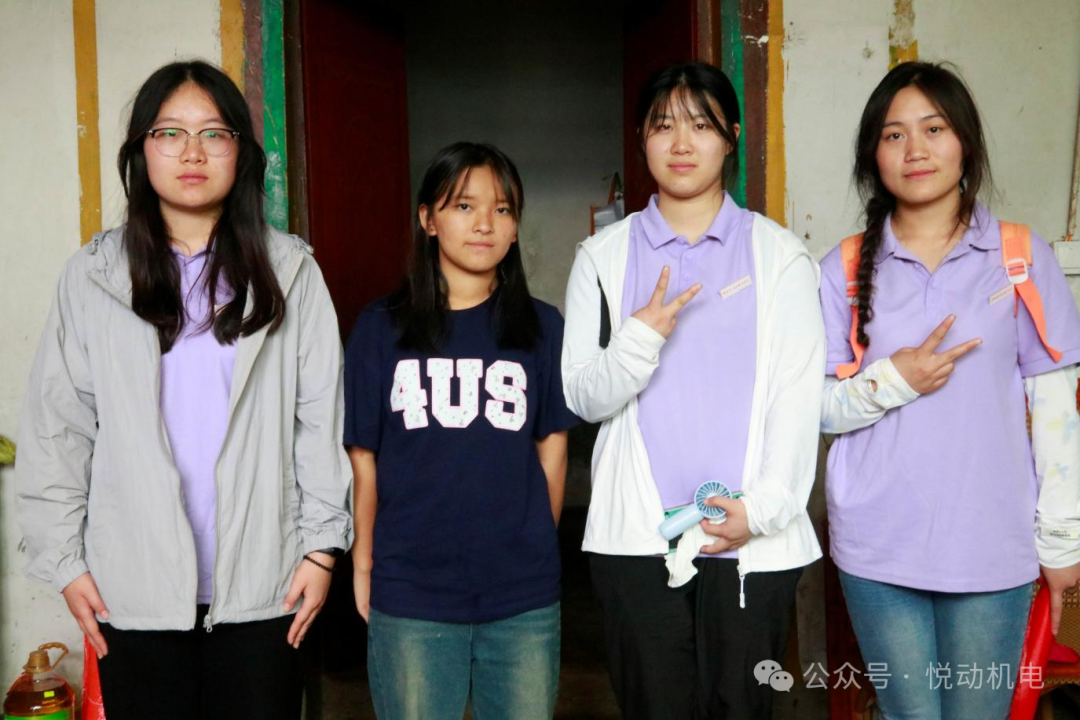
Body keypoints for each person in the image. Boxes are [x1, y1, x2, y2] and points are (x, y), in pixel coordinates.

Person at [15, 60, 352, 720]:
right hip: (132, 588)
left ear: (241, 152)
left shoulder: (290, 272)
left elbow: (320, 421)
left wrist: (321, 551)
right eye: (170, 132)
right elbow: (58, 427)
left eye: (214, 133)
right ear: (141, 150)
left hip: (268, 585)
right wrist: (65, 562)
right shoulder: (93, 276)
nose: (192, 152)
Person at [561, 62, 825, 719]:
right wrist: (639, 338)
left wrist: (760, 511)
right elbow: (582, 396)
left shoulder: (781, 257)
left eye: (701, 125)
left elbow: (797, 398)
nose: (681, 143)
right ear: (642, 139)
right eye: (663, 126)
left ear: (732, 136)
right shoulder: (602, 256)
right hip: (636, 540)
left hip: (752, 540)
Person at [820, 61, 1080, 719]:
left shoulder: (1021, 257)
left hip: (993, 543)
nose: (916, 150)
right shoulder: (843, 268)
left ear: (965, 140)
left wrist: (1061, 541)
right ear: (872, 154)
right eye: (894, 134)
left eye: (933, 129)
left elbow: (1057, 413)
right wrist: (894, 380)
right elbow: (815, 409)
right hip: (877, 544)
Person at [345, 142, 578, 719]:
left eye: (502, 209)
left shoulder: (543, 327)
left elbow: (552, 450)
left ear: (516, 227)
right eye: (464, 206)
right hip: (412, 592)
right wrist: (364, 563)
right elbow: (363, 459)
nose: (484, 224)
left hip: (521, 598)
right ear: (428, 219)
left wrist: (530, 548)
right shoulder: (380, 328)